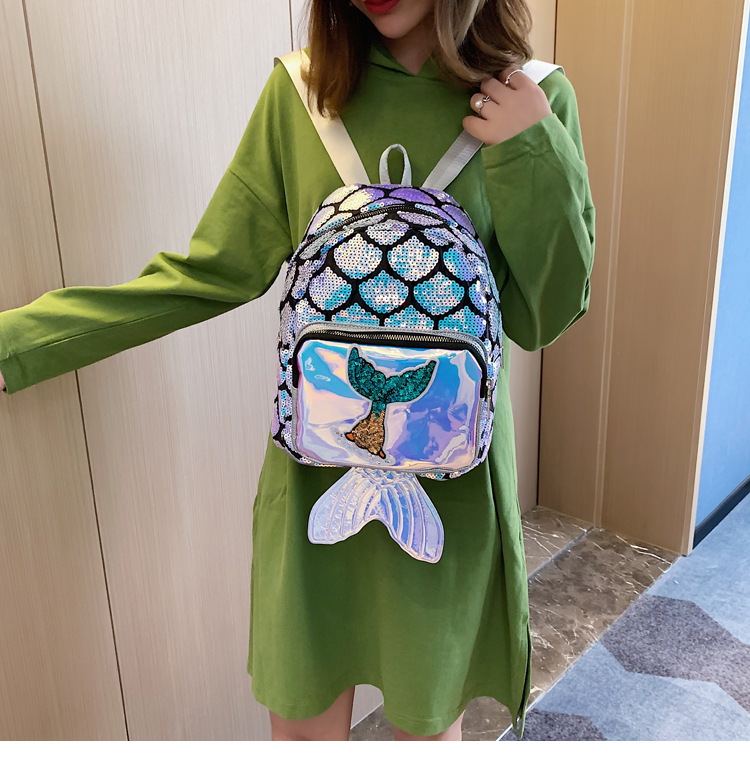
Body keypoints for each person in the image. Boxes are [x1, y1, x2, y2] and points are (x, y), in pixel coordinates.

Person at [0, 0, 594, 742]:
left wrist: (532, 147)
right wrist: (18, 343)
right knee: (304, 734)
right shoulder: (302, 93)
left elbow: (544, 316)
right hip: (316, 473)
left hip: (451, 490)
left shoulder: (535, 95)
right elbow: (208, 274)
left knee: (425, 732)